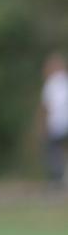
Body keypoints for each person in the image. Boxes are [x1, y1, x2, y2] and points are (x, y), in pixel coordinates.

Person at [40, 52, 68, 189]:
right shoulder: (65, 81)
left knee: (54, 152)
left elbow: (48, 106)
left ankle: (57, 180)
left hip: (56, 123)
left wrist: (44, 125)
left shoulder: (51, 83)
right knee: (61, 151)